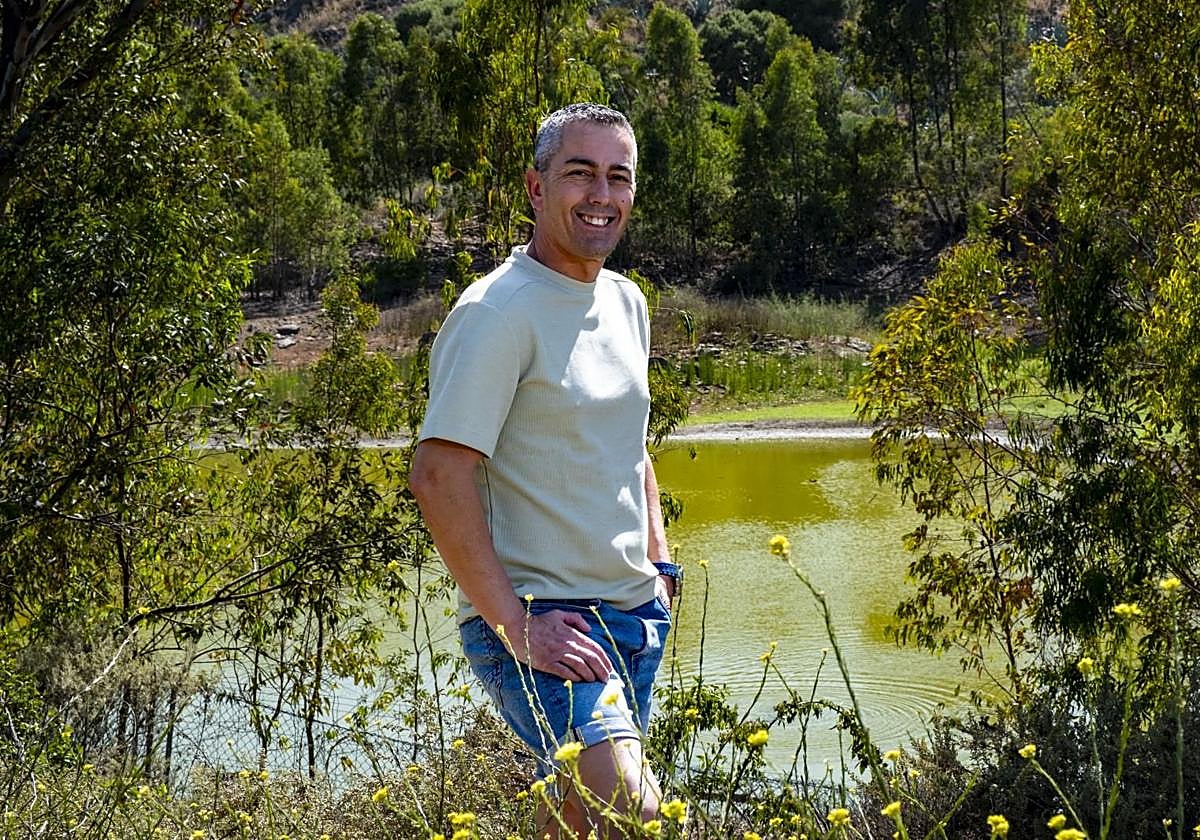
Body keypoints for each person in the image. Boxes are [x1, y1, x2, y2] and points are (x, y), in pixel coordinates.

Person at [408, 102, 680, 838]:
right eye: (579, 173)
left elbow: (631, 443)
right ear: (535, 188)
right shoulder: (498, 312)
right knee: (634, 809)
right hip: (550, 623)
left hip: (633, 618)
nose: (601, 194)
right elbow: (438, 474)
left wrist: (662, 563)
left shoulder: (626, 302)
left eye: (617, 176)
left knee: (576, 822)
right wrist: (515, 626)